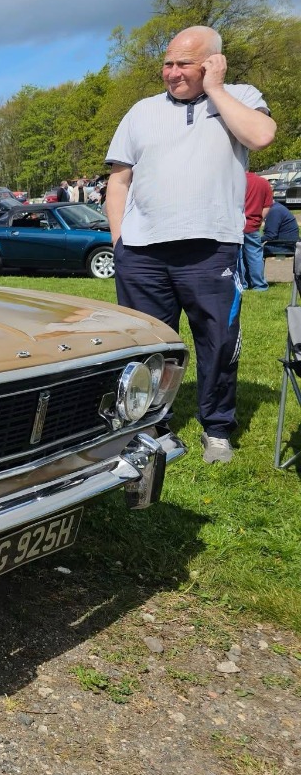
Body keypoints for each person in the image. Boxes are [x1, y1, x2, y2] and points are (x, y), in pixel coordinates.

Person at [105, 25, 276, 464]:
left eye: (185, 63)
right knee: (147, 346)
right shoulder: (141, 111)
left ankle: (216, 428)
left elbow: (260, 136)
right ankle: (151, 426)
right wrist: (120, 241)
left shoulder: (240, 96)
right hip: (142, 253)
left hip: (210, 248)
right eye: (168, 63)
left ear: (213, 62)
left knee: (218, 342)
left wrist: (216, 89)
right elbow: (118, 181)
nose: (173, 72)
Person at [241, 171, 273, 290]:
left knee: (238, 257)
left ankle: (242, 284)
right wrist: (259, 220)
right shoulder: (263, 182)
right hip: (253, 225)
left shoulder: (235, 181)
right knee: (255, 255)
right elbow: (267, 205)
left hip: (236, 225)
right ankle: (259, 285)